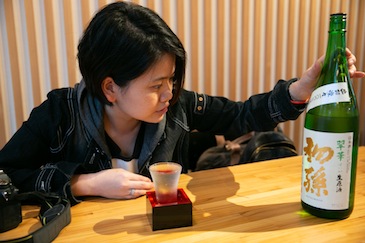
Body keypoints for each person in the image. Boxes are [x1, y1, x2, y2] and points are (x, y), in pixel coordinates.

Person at [0, 2, 364, 205]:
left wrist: (301, 87)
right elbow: (8, 175)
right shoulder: (60, 114)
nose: (170, 94)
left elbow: (241, 116)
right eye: (156, 85)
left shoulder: (177, 107)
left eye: (172, 80)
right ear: (110, 88)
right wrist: (86, 183)